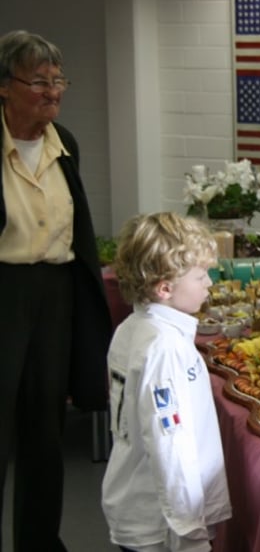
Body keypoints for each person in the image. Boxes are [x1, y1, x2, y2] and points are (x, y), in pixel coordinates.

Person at [0, 30, 112, 550]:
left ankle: (40, 542)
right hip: (5, 291)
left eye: (58, 80)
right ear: (5, 86)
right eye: (39, 82)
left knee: (45, 431)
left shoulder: (64, 142)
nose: (52, 92)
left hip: (56, 294)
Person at [101, 212, 232, 552]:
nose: (209, 284)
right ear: (165, 288)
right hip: (161, 524)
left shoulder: (131, 329)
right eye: (200, 276)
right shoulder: (164, 348)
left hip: (142, 507)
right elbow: (170, 444)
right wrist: (189, 531)